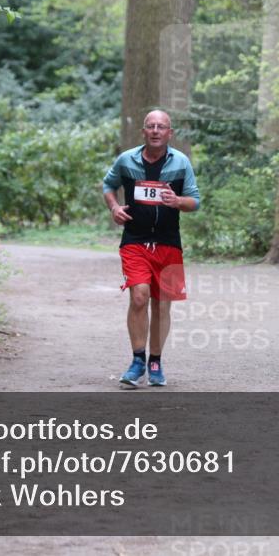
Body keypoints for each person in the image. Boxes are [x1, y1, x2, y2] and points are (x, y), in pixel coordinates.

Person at [102, 110, 201, 388]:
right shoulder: (127, 160)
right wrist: (114, 207)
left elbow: (195, 202)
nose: (156, 131)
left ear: (170, 133)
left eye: (162, 127)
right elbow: (109, 184)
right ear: (143, 131)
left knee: (162, 305)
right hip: (135, 240)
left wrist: (177, 201)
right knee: (139, 296)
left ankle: (155, 362)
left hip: (169, 243)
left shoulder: (181, 163)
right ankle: (137, 361)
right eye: (151, 126)